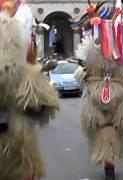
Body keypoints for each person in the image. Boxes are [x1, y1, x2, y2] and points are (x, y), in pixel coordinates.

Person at [73, 2, 123, 180]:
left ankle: (110, 161)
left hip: (119, 94)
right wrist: (87, 75)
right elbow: (82, 71)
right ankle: (108, 164)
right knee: (103, 131)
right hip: (96, 93)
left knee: (117, 127)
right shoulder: (92, 46)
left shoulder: (122, 44)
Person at [0, 1, 60, 179]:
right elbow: (42, 108)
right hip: (17, 149)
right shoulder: (21, 76)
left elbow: (40, 108)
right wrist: (32, 66)